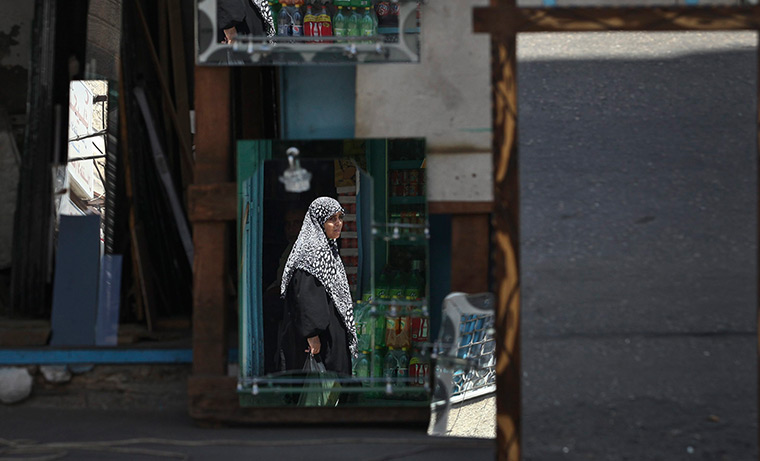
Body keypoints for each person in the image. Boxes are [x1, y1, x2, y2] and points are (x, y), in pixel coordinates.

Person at [277, 197, 358, 376]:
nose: (338, 224)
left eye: (340, 218)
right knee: (319, 392)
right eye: (331, 219)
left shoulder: (328, 249)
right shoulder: (310, 254)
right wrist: (312, 336)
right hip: (319, 340)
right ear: (318, 222)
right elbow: (306, 299)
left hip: (329, 335)